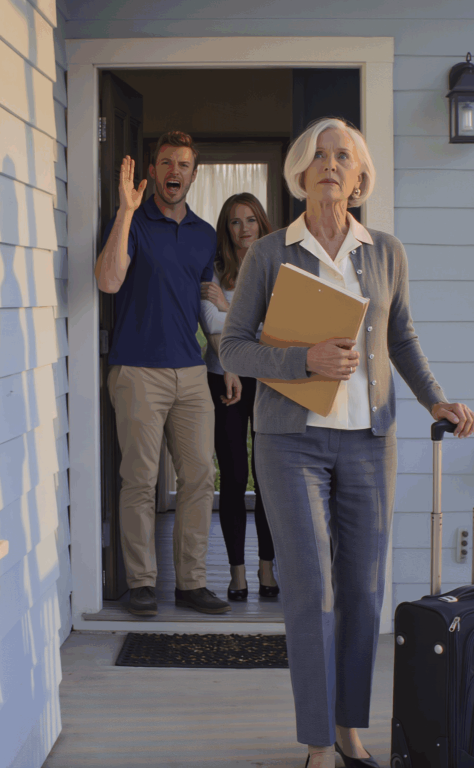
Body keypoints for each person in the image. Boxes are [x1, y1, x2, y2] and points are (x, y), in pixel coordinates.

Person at [220, 118, 474, 768]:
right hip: (289, 445)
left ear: (359, 178)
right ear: (300, 173)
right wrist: (301, 359)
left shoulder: (386, 252)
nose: (330, 164)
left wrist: (437, 400)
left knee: (363, 592)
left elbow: (403, 339)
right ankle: (316, 744)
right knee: (311, 592)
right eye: (319, 154)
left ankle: (348, 730)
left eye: (344, 156)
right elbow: (233, 346)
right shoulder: (271, 252)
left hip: (369, 444)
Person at [94, 130, 231, 618]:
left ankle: (192, 583)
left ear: (194, 175)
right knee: (140, 479)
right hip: (137, 371)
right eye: (167, 162)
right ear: (153, 170)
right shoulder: (131, 220)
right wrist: (127, 211)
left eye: (185, 164)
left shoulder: (202, 233)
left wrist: (224, 356)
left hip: (191, 371)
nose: (175, 171)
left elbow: (205, 303)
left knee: (199, 477)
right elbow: (108, 280)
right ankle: (142, 584)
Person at [200, 193, 280, 601]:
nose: (244, 228)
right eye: (235, 222)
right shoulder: (214, 269)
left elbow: (278, 325)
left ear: (262, 224)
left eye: (251, 220)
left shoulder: (277, 267)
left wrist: (229, 308)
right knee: (231, 476)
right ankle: (237, 574)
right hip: (223, 378)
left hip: (268, 381)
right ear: (226, 228)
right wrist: (242, 318)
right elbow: (210, 323)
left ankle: (267, 568)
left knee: (266, 475)